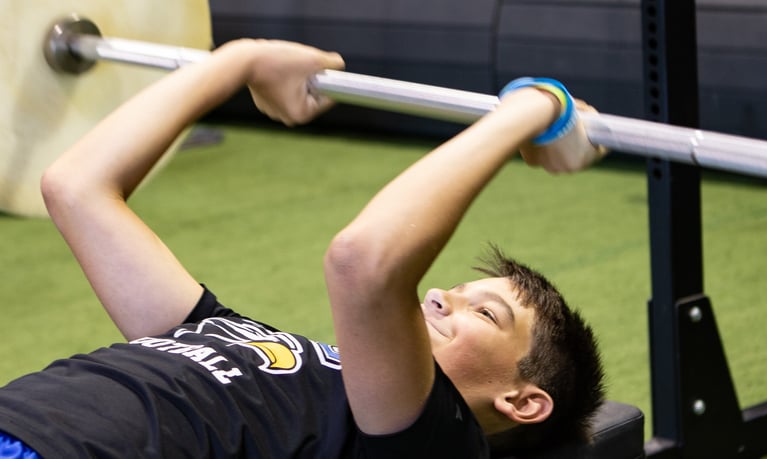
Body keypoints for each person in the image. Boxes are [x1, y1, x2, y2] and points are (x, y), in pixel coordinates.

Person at [0, 39, 605, 458]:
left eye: (485, 313)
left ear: (522, 402)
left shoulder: (430, 443)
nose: (441, 295)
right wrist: (243, 61)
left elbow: (363, 262)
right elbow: (78, 189)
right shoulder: (263, 350)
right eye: (461, 290)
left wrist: (534, 107)